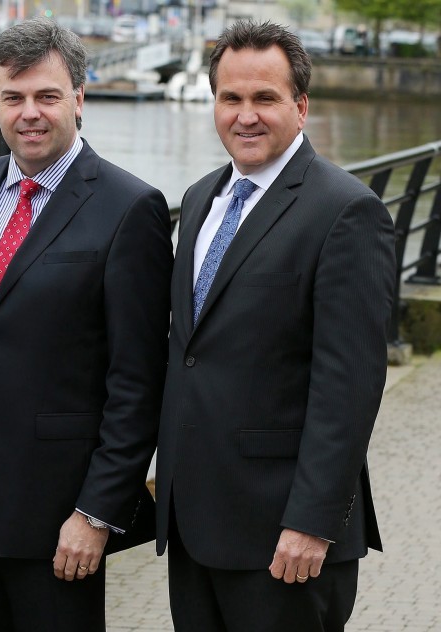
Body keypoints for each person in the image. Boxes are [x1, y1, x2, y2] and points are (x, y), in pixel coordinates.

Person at [0, 17, 173, 631]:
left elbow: (138, 378)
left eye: (47, 96)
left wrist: (98, 512)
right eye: (14, 97)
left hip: (57, 519)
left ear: (79, 100)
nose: (29, 113)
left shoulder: (128, 207)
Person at [156, 20, 395, 631]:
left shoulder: (346, 211)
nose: (246, 115)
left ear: (301, 105)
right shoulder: (202, 197)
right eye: (230, 98)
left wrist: (313, 521)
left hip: (284, 538)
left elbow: (350, 387)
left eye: (265, 98)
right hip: (195, 526)